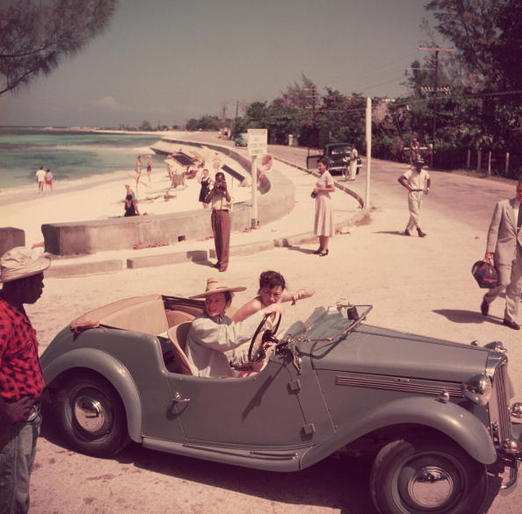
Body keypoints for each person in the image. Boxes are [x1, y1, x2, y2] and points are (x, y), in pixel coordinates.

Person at [0, 246, 51, 513]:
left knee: (19, 482)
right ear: (21, 283)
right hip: (13, 421)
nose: (42, 286)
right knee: (13, 491)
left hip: (28, 413)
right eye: (38, 280)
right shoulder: (2, 318)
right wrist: (4, 408)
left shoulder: (15, 308)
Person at [185, 278, 281, 377]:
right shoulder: (200, 325)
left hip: (223, 374)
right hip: (206, 379)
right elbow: (232, 338)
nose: (211, 305)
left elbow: (235, 357)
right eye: (209, 300)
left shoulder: (225, 321)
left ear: (227, 303)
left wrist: (259, 348)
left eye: (217, 300)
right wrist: (263, 313)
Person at [480, 179, 522, 330]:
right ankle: (488, 299)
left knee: (516, 287)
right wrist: (489, 251)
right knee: (503, 282)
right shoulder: (503, 206)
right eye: (520, 191)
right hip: (504, 250)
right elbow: (494, 229)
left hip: (520, 253)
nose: (521, 194)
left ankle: (509, 318)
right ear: (516, 190)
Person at [232, 270, 315, 322]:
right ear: (260, 290)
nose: (271, 298)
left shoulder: (281, 296)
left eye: (276, 294)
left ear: (282, 291)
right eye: (267, 293)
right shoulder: (255, 305)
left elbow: (311, 292)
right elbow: (232, 324)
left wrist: (300, 292)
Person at [206, 172, 232, 272]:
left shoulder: (228, 187)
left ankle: (224, 264)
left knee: (224, 240)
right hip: (215, 214)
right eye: (217, 180)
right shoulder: (213, 189)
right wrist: (213, 189)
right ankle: (219, 261)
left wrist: (225, 190)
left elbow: (229, 199)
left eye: (220, 180)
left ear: (224, 179)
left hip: (224, 214)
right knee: (217, 239)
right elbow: (207, 200)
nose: (219, 182)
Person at [398, 159, 431, 237]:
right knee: (415, 212)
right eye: (418, 164)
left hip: (420, 193)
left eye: (421, 165)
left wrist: (427, 188)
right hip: (413, 193)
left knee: (416, 213)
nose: (419, 166)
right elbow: (400, 179)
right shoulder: (410, 172)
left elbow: (429, 179)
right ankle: (419, 230)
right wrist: (408, 187)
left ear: (423, 166)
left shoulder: (424, 172)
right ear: (415, 165)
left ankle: (408, 229)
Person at [312, 157, 335, 257]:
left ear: (325, 165)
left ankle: (325, 248)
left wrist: (320, 189)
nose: (318, 167)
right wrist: (316, 191)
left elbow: (332, 189)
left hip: (325, 202)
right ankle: (321, 247)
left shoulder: (327, 175)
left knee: (325, 224)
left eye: (320, 165)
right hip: (320, 202)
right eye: (318, 166)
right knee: (320, 224)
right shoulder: (322, 175)